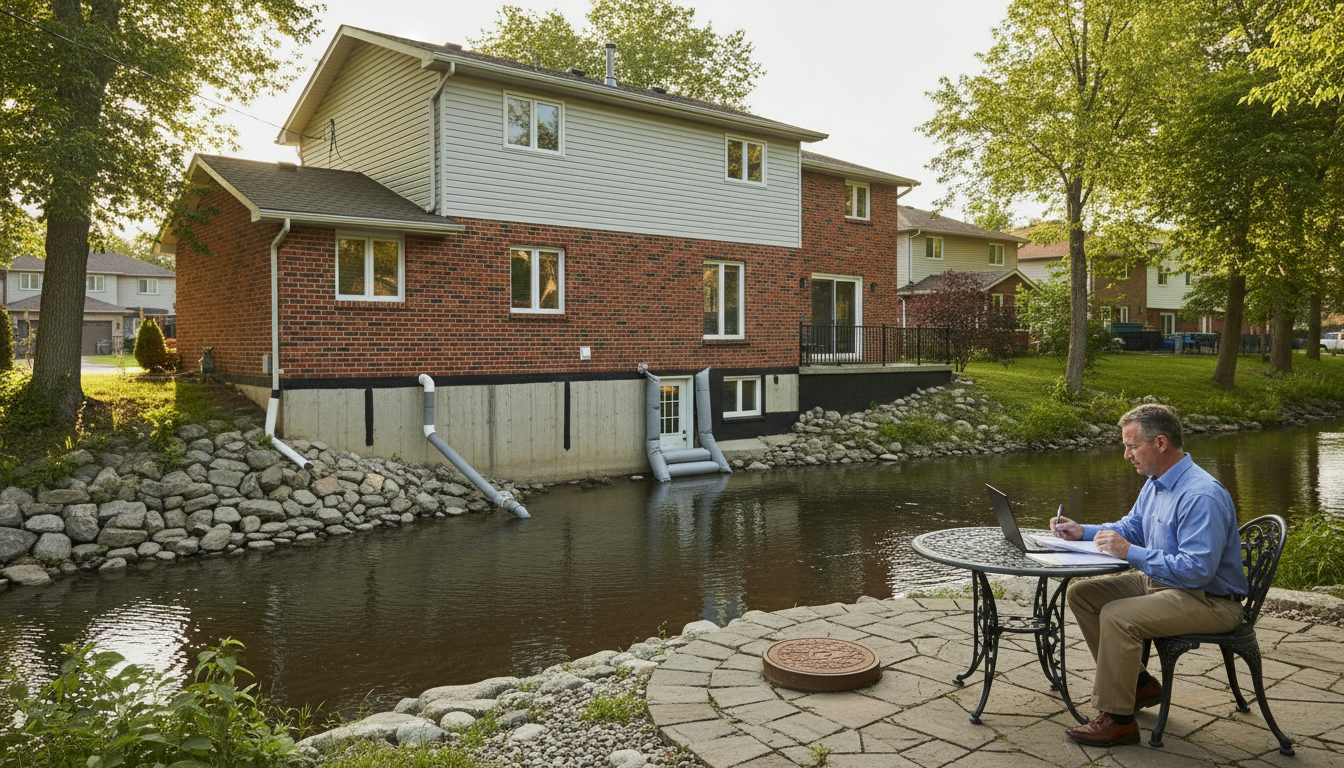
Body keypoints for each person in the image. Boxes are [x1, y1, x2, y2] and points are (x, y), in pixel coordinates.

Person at [1049, 403, 1248, 747]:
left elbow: (1197, 571)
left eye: (1131, 446)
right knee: (1082, 594)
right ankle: (1140, 686)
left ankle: (1119, 720)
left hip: (1210, 600)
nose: (1126, 455)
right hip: (1166, 585)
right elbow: (1131, 528)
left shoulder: (1200, 494)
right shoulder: (1156, 483)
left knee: (1118, 615)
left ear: (1160, 444)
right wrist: (1082, 531)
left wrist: (1129, 552)